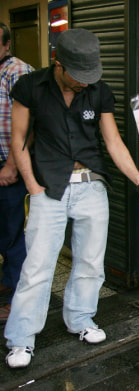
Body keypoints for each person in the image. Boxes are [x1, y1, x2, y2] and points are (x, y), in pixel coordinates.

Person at [4, 28, 139, 368]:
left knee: (91, 261)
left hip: (91, 184)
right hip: (48, 186)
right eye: (78, 77)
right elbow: (18, 138)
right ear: (58, 64)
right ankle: (21, 339)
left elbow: (113, 142)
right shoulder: (30, 87)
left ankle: (80, 318)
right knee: (37, 266)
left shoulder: (98, 92)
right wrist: (32, 185)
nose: (83, 83)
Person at [0, 22, 33, 323]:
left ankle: (16, 300)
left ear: (7, 45)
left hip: (9, 168)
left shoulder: (17, 71)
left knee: (14, 235)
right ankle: (8, 282)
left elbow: (27, 126)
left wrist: (11, 165)